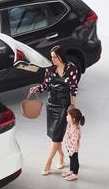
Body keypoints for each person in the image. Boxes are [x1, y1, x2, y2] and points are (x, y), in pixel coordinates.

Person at [30, 45, 79, 175]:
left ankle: (48, 162)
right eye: (51, 57)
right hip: (51, 104)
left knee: (56, 135)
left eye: (55, 57)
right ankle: (61, 156)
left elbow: (74, 89)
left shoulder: (72, 69)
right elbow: (46, 85)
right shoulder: (50, 69)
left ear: (61, 57)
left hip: (64, 106)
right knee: (54, 135)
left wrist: (72, 105)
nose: (53, 60)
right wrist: (37, 88)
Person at [62, 108, 85, 181]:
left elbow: (75, 143)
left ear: (74, 119)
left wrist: (71, 151)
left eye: (68, 115)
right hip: (69, 147)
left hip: (73, 149)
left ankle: (75, 174)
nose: (66, 116)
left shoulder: (76, 130)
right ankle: (71, 170)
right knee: (71, 160)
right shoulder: (70, 124)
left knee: (75, 160)